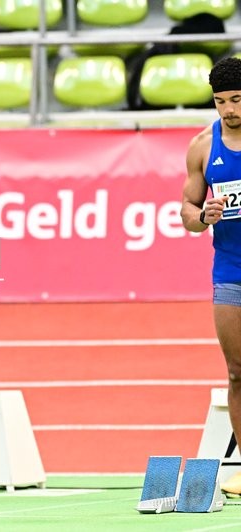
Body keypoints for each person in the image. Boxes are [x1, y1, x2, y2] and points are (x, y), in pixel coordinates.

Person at [182, 56, 241, 497]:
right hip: (230, 269)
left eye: (237, 100)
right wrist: (204, 215)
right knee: (238, 372)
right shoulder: (204, 145)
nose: (229, 110)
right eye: (221, 101)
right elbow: (186, 211)